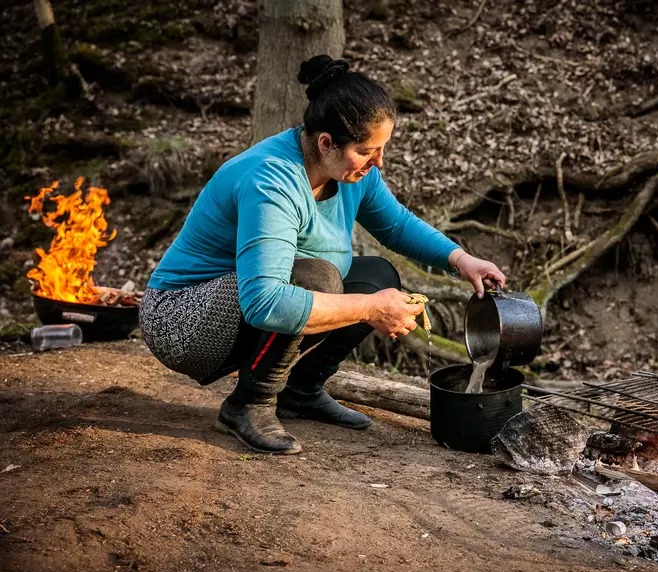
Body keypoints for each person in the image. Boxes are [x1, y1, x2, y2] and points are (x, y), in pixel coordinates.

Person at [140, 55, 506, 455]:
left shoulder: (351, 172)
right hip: (181, 320)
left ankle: (301, 390)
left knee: (377, 276)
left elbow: (396, 225)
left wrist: (459, 259)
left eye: (382, 148)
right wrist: (368, 309)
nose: (379, 162)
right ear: (326, 143)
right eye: (368, 151)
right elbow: (265, 303)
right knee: (319, 280)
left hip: (239, 303)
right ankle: (249, 403)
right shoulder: (272, 181)